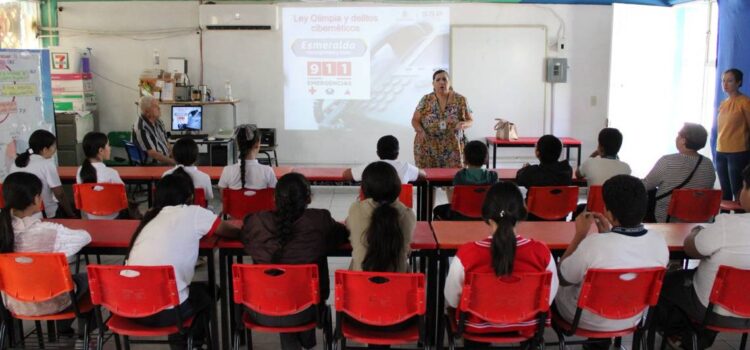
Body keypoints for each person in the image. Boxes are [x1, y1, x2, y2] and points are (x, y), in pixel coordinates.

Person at [126, 168, 240, 349]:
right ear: (189, 197)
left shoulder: (149, 219)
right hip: (166, 312)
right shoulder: (194, 213)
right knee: (209, 291)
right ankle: (191, 342)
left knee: (175, 289)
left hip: (129, 307)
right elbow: (231, 232)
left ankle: (184, 341)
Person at [240, 173, 349, 350]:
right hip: (307, 311)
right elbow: (341, 235)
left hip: (260, 310)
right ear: (309, 198)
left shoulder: (256, 223)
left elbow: (243, 237)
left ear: (274, 197)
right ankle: (304, 338)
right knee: (299, 286)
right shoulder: (319, 221)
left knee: (284, 286)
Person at [443, 182, 558, 348]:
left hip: (476, 327)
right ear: (521, 213)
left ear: (486, 216)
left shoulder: (467, 253)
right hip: (527, 324)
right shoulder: (541, 252)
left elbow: (452, 299)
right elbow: (548, 299)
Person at [555, 175, 669, 344]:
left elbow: (563, 278)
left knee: (551, 285)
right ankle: (600, 344)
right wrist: (607, 235)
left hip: (583, 318)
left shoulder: (594, 244)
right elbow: (619, 256)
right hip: (632, 318)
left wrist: (579, 235)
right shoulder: (659, 242)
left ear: (608, 212)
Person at [653, 164, 750, 350]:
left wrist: (697, 232)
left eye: (744, 186)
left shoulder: (727, 225)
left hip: (712, 311)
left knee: (665, 281)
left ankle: (678, 333)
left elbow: (692, 249)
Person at [0, 172, 91, 335]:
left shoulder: (4, 228)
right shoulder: (48, 231)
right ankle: (84, 333)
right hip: (50, 301)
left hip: (13, 303)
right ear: (36, 199)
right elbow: (84, 236)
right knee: (91, 279)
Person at [346, 161, 415, 272]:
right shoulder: (408, 214)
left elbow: (348, 226)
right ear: (397, 186)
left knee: (355, 261)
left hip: (360, 285)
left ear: (364, 188)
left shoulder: (355, 210)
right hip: (399, 286)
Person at [642, 123, 716, 223]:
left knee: (648, 193)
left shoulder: (667, 161)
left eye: (678, 135)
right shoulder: (708, 164)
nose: (676, 138)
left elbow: (646, 185)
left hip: (668, 218)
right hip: (699, 218)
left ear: (683, 140)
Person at [412, 70, 474, 168]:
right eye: (438, 80)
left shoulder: (461, 100)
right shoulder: (426, 99)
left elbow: (470, 120)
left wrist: (463, 124)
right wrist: (420, 130)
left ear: (449, 82)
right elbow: (415, 120)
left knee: (452, 178)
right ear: (433, 83)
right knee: (428, 178)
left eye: (444, 79)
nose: (442, 82)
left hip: (452, 147)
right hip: (428, 147)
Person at [10, 129, 75, 218]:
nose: (55, 149)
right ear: (45, 149)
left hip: (20, 215)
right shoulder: (47, 164)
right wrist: (71, 214)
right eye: (54, 146)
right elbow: (60, 194)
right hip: (45, 214)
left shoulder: (16, 163)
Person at [433, 140, 498, 220]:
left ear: (465, 157)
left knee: (437, 210)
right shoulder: (493, 176)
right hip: (486, 214)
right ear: (486, 157)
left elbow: (454, 200)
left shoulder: (460, 176)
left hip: (461, 215)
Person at [714, 68, 750, 201]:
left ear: (738, 82)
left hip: (738, 152)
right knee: (724, 190)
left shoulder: (745, 102)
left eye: (729, 81)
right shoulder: (723, 103)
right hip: (721, 150)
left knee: (738, 189)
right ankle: (725, 218)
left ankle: (740, 218)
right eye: (723, 81)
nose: (725, 84)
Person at [77, 131, 129, 220]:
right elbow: (123, 198)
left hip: (89, 217)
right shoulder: (111, 173)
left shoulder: (80, 171)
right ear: (101, 150)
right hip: (112, 217)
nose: (110, 148)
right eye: (108, 145)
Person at [344, 135, 425, 184]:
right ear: (397, 153)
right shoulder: (406, 167)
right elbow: (423, 175)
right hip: (397, 210)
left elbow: (345, 175)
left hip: (373, 209)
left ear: (378, 153)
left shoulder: (369, 167)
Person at [218, 124, 277, 190]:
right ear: (257, 144)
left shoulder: (227, 171)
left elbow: (223, 197)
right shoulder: (267, 171)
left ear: (237, 144)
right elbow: (273, 196)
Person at [134, 95, 175, 165]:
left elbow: (166, 143)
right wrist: (173, 162)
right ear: (147, 112)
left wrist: (175, 156)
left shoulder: (159, 122)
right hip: (153, 165)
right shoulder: (141, 128)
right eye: (155, 106)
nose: (159, 108)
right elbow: (152, 154)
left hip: (165, 161)